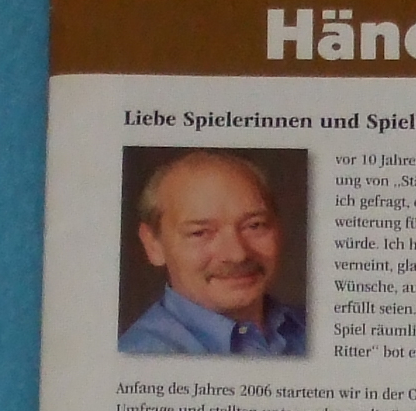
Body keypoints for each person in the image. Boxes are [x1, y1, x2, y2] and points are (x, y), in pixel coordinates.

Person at [118, 150, 307, 355]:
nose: (237, 255)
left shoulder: (316, 328)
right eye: (200, 232)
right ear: (153, 245)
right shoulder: (141, 358)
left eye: (254, 225)